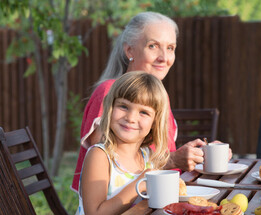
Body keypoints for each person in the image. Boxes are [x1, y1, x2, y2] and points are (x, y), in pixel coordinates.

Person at [72, 11, 232, 193]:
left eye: (170, 48)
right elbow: (114, 167)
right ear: (129, 50)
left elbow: (154, 157)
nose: (164, 57)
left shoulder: (159, 97)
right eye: (153, 46)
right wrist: (173, 160)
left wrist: (200, 154)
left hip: (155, 202)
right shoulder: (110, 92)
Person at [77, 71, 169, 215]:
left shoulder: (148, 157)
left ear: (155, 122)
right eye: (124, 106)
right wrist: (140, 184)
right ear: (110, 107)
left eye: (144, 112)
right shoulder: (100, 156)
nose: (131, 118)